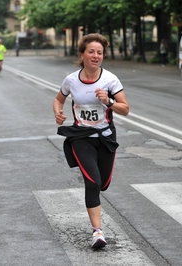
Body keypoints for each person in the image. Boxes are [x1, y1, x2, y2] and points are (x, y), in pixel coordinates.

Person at [52, 33, 129, 248]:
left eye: (99, 53)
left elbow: (126, 109)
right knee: (92, 182)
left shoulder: (110, 80)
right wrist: (58, 112)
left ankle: (97, 225)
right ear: (82, 54)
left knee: (102, 184)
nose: (95, 56)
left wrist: (109, 101)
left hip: (105, 138)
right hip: (81, 137)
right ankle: (98, 232)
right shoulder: (71, 80)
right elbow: (58, 100)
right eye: (91, 52)